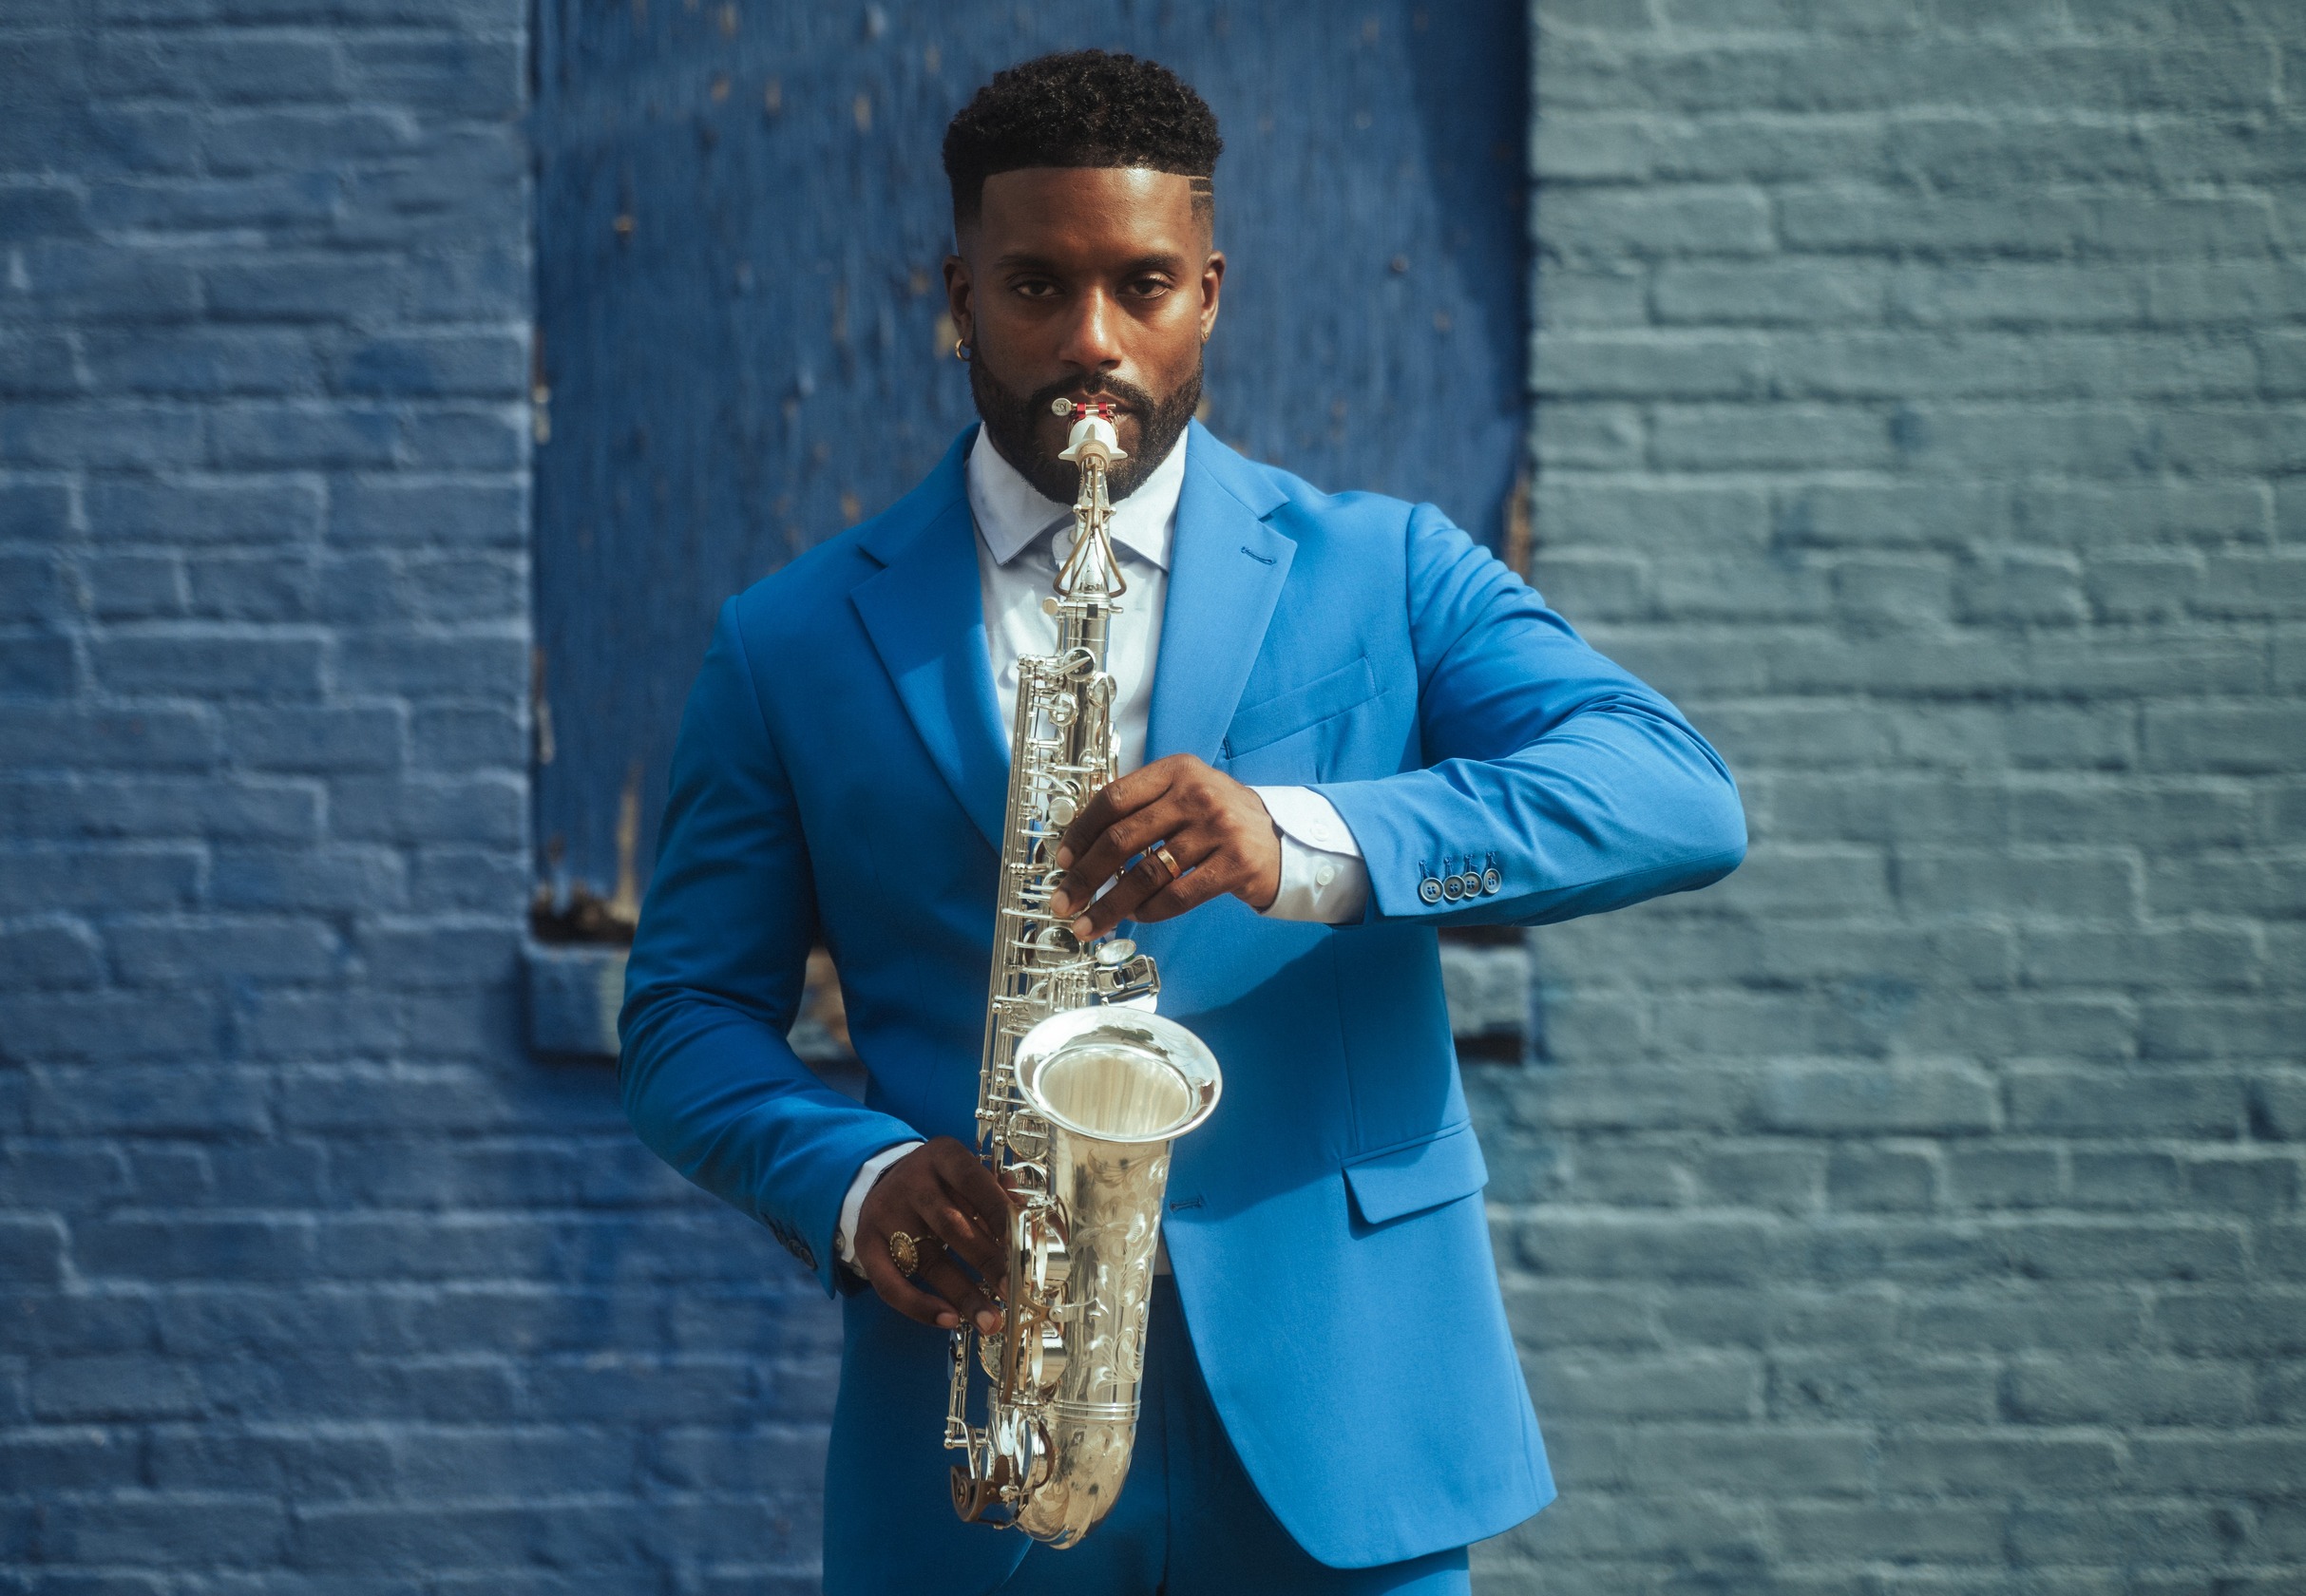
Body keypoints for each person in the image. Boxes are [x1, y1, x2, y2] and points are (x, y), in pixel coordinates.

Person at [619, 49, 1744, 1596]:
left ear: (1209, 293)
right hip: (983, 1449)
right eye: (1034, 287)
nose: (1093, 343)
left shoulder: (1388, 569)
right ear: (958, 293)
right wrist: (857, 1178)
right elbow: (683, 1017)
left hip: (1345, 1424)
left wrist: (1309, 844)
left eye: (1142, 286)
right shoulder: (787, 642)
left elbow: (1673, 791)